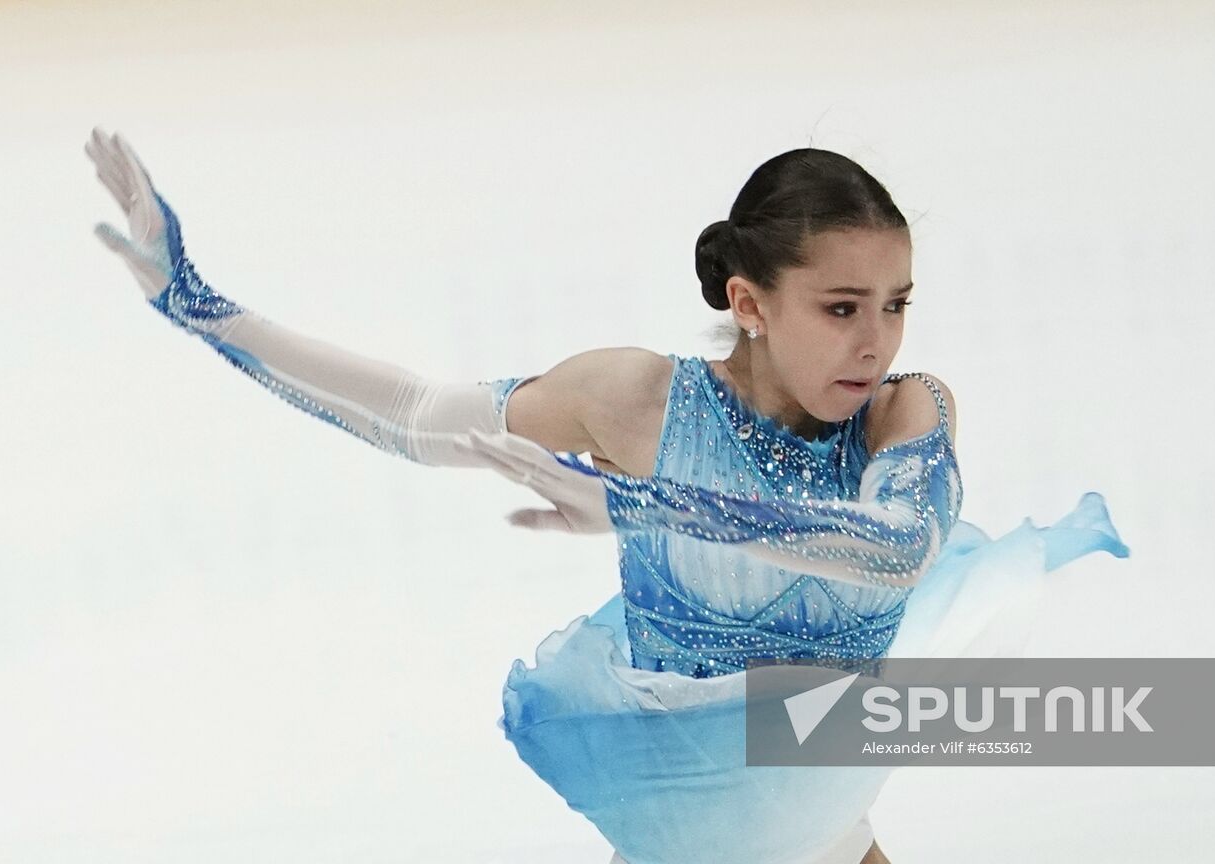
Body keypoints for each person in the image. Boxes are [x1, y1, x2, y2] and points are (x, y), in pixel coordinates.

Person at [87, 129, 1130, 864]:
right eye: (841, 306)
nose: (875, 340)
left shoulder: (906, 416)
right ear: (748, 302)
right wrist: (197, 306)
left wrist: (643, 508)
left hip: (826, 840)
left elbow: (892, 548)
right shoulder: (635, 401)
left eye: (894, 305)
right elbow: (414, 414)